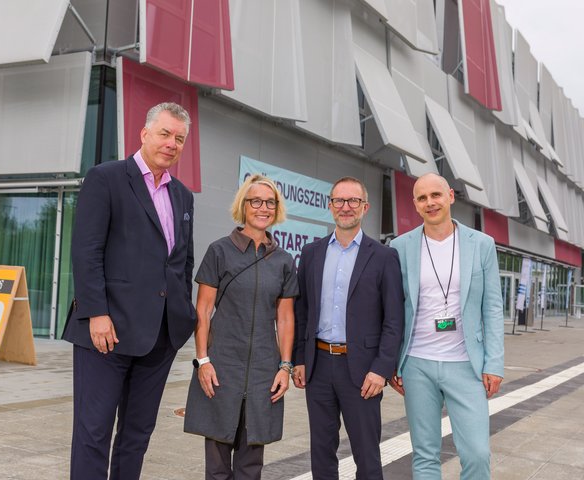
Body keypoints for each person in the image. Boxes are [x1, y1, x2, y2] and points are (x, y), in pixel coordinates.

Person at [62, 102, 196, 480]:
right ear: (145, 133)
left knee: (137, 434)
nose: (172, 143)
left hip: (159, 337)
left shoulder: (183, 196)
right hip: (106, 332)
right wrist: (95, 313)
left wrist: (181, 316)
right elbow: (86, 251)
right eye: (165, 133)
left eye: (179, 139)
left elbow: (181, 261)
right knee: (93, 432)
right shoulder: (106, 178)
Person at [388, 173, 504, 479]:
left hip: (467, 365)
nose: (430, 203)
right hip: (416, 363)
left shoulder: (481, 244)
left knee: (477, 454)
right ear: (414, 204)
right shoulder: (400, 246)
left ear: (450, 196)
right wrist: (393, 362)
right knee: (425, 454)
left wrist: (495, 362)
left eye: (436, 195)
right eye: (422, 198)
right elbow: (394, 309)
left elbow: (492, 306)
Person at [184, 174, 297, 479]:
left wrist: (285, 367)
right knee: (218, 465)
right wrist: (203, 361)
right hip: (221, 368)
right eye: (256, 201)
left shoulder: (284, 261)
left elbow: (285, 318)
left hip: (263, 372)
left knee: (251, 465)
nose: (263, 208)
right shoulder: (219, 251)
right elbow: (204, 310)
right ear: (243, 205)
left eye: (270, 202)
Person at [293, 176, 404, 479]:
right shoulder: (311, 253)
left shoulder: (384, 256)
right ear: (330, 206)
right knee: (321, 452)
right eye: (339, 201)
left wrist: (382, 369)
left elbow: (394, 320)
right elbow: (302, 311)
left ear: (364, 207)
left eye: (353, 201)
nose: (346, 207)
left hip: (363, 371)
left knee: (367, 456)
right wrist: (299, 360)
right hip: (318, 367)